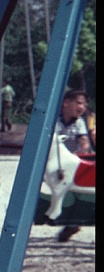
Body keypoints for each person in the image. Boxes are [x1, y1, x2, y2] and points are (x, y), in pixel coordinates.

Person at [54, 89, 93, 243]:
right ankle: (71, 222)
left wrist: (84, 151)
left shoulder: (79, 122)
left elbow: (83, 140)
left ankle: (72, 222)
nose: (82, 107)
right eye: (78, 103)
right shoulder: (53, 120)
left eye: (84, 104)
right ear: (66, 103)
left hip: (69, 162)